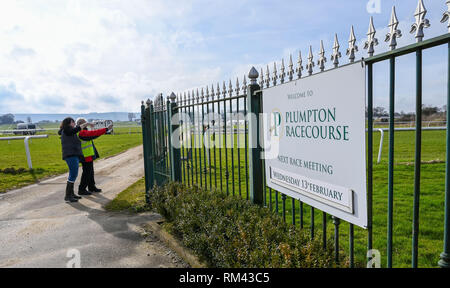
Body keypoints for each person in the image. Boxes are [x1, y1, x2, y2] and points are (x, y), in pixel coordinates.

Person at [76, 118, 113, 195]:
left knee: (90, 172)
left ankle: (91, 187)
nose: (86, 124)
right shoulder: (82, 132)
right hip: (85, 156)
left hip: (87, 155)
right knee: (87, 173)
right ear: (82, 124)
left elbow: (94, 134)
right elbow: (94, 133)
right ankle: (82, 189)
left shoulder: (82, 131)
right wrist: (106, 129)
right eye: (85, 123)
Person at [58, 117, 91, 203]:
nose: (74, 124)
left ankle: (71, 194)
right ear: (69, 123)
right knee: (73, 174)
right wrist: (86, 124)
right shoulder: (66, 130)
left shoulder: (67, 131)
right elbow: (75, 130)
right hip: (70, 155)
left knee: (73, 174)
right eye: (73, 122)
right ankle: (68, 195)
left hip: (73, 154)